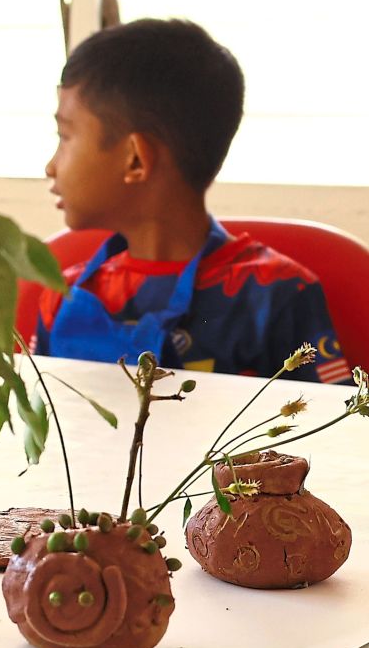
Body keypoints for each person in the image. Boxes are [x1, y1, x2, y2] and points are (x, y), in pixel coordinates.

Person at [34, 19, 350, 384]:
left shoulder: (277, 294)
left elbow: (331, 434)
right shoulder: (62, 296)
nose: (51, 166)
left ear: (135, 159)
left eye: (65, 136)